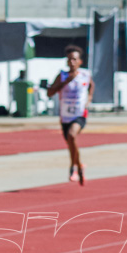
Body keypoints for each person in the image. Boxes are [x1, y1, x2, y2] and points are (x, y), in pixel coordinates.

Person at [46, 44, 94, 186]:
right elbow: (50, 93)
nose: (71, 62)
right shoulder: (62, 76)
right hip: (65, 116)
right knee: (71, 144)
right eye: (69, 60)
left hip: (79, 114)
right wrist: (64, 83)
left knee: (72, 136)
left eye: (74, 59)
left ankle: (73, 167)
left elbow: (91, 86)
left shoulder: (85, 74)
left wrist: (89, 98)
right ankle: (78, 165)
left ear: (80, 62)